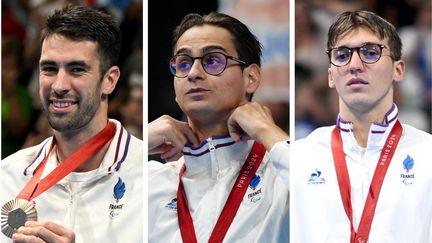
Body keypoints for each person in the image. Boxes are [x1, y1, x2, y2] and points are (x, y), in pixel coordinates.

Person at [1, 5, 143, 243]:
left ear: (109, 80)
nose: (58, 85)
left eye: (77, 69)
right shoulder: (7, 176)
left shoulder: (147, 178)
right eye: (49, 69)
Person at [148, 12, 290, 243]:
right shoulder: (153, 181)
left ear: (251, 78)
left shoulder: (281, 172)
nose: (193, 73)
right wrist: (140, 142)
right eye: (183, 64)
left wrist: (265, 129)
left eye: (212, 60)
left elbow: (328, 204)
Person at [293, 10, 432, 242]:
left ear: (398, 70)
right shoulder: (299, 157)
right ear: (330, 75)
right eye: (342, 55)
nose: (354, 65)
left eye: (370, 53)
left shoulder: (428, 154)